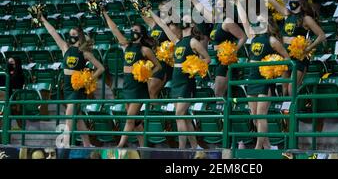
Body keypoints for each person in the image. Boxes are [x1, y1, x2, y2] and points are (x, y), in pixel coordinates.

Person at [40, 16, 105, 147]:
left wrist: (87, 79)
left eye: (74, 34)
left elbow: (101, 68)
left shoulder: (85, 53)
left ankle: (65, 142)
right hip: (67, 86)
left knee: (69, 112)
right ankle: (87, 144)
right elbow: (53, 33)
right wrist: (42, 19)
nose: (71, 36)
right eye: (70, 34)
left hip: (78, 87)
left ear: (80, 36)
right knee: (78, 116)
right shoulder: (65, 48)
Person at [150, 12, 210, 149]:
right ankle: (195, 146)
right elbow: (163, 26)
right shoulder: (178, 41)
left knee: (179, 114)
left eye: (186, 18)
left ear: (192, 24)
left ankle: (181, 149)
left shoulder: (193, 41)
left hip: (186, 82)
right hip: (176, 81)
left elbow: (207, 58)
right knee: (183, 117)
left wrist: (194, 67)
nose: (183, 19)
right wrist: (151, 12)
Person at [102, 10, 161, 148]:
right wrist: (105, 13)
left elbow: (158, 66)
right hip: (127, 86)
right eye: (131, 29)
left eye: (135, 30)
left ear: (141, 34)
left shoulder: (145, 50)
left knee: (129, 119)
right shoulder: (127, 45)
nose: (131, 31)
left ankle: (121, 145)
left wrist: (147, 74)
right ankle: (144, 145)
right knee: (134, 121)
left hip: (138, 88)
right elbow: (114, 29)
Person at [235, 0, 289, 150]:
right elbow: (245, 20)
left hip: (265, 80)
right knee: (254, 117)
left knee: (261, 116)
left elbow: (287, 59)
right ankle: (268, 146)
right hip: (252, 78)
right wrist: (238, 1)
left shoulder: (272, 40)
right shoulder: (253, 36)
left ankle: (258, 149)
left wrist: (274, 67)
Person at [255, 0, 326, 96]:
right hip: (285, 54)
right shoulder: (287, 14)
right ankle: (286, 111)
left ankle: (295, 112)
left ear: (301, 2)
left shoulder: (306, 18)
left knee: (291, 89)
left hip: (298, 57)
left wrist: (307, 49)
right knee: (284, 90)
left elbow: (321, 36)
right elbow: (271, 0)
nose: (291, 1)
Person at [192, 0, 247, 97]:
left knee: (219, 93)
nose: (217, 7)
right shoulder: (216, 21)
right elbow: (202, 10)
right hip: (218, 59)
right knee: (221, 93)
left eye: (220, 5)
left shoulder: (227, 21)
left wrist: (233, 51)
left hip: (226, 61)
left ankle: (225, 112)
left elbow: (243, 37)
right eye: (216, 5)